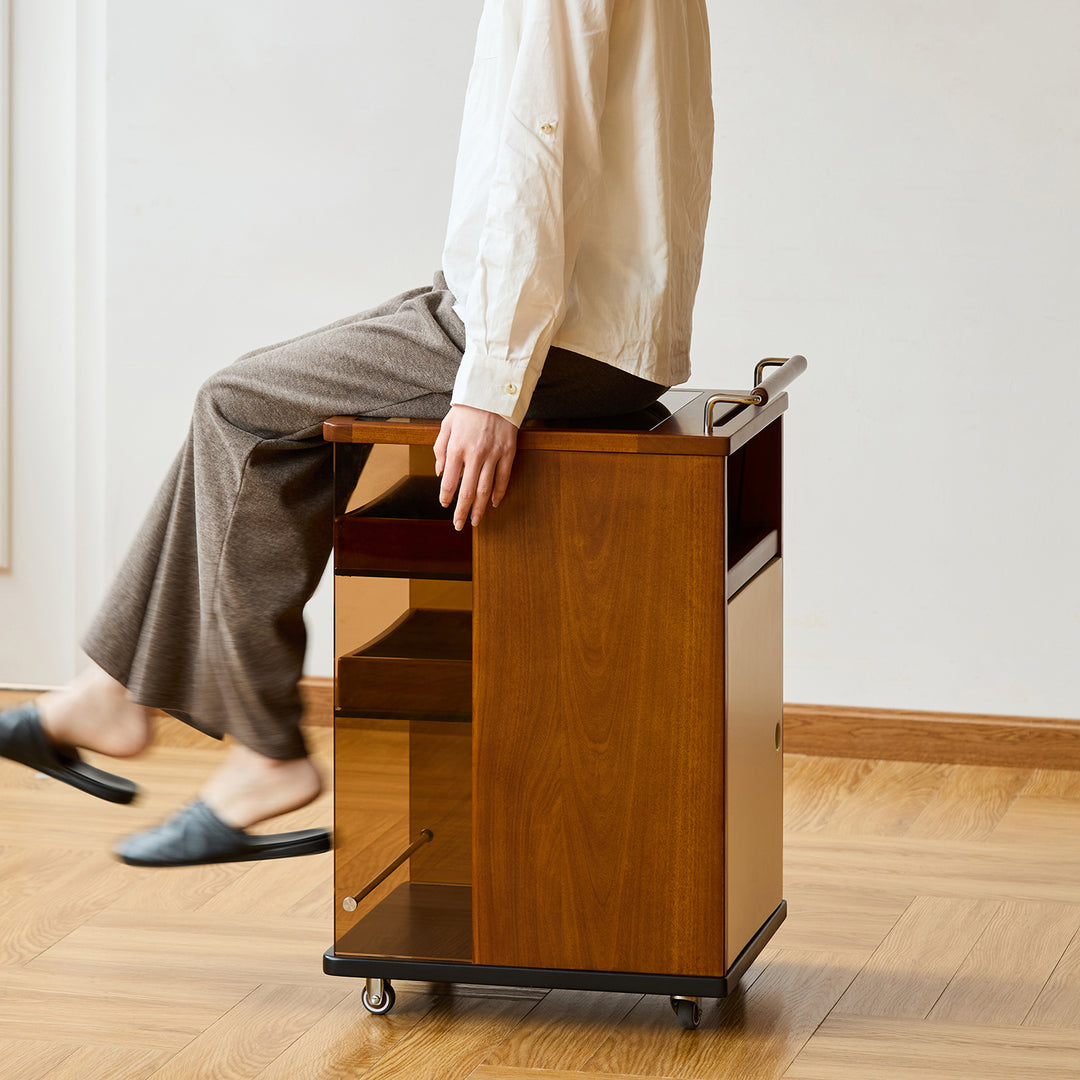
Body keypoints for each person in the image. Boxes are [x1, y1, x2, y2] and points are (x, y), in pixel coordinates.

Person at [0, 0, 714, 866]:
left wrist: (492, 383)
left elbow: (541, 144)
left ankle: (265, 753)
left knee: (239, 407)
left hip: (556, 329)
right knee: (252, 401)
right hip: (595, 322)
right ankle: (108, 693)